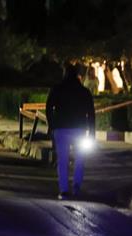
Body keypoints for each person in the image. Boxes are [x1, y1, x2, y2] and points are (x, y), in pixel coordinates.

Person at [45, 62, 95, 199]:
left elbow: (48, 108)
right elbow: (91, 113)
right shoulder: (84, 92)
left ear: (65, 74)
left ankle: (64, 189)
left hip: (61, 129)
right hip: (79, 130)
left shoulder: (57, 89)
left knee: (62, 159)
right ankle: (77, 186)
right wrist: (92, 133)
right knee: (80, 158)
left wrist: (52, 125)